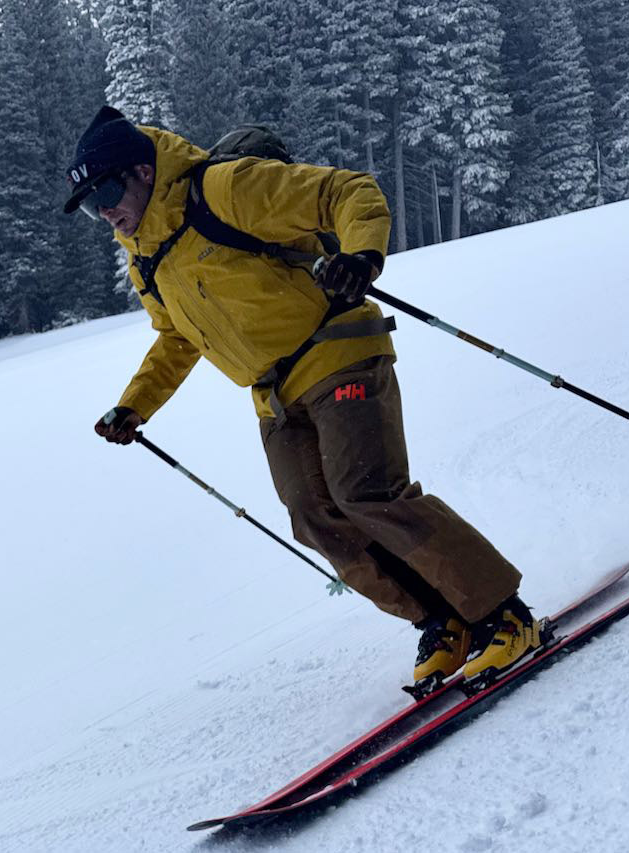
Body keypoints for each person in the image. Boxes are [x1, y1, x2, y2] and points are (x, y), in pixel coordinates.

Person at [63, 106, 540, 692]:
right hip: (273, 394)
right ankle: (443, 622)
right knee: (315, 518)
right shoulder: (146, 258)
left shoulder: (223, 188)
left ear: (141, 170)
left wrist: (361, 255)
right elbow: (176, 335)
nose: (105, 211)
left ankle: (503, 614)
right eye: (91, 206)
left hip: (335, 349)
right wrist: (135, 405)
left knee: (366, 493)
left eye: (108, 191)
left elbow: (348, 191)